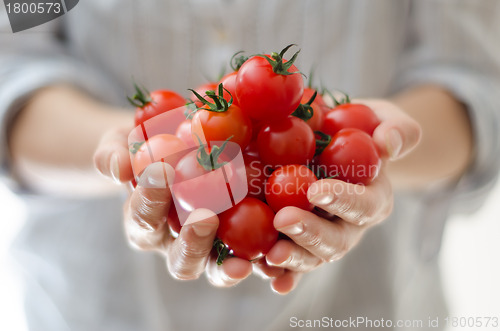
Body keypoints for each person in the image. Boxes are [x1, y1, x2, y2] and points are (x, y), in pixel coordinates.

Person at [1, 1, 499, 330]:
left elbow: (471, 79)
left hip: (362, 308)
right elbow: (14, 63)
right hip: (96, 308)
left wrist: (371, 161)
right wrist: (138, 156)